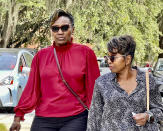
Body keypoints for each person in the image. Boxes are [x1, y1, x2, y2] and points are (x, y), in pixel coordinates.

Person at [10, 9, 100, 131]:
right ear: (51, 31)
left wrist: (97, 118)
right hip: (43, 118)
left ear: (72, 29)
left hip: (76, 118)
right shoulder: (41, 56)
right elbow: (31, 89)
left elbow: (93, 90)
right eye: (55, 28)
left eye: (64, 28)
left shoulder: (86, 53)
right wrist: (18, 116)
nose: (60, 32)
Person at [87, 35, 163, 131]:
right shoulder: (102, 83)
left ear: (127, 59)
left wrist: (148, 116)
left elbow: (160, 111)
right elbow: (94, 119)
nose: (109, 61)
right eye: (107, 57)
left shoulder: (147, 80)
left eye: (113, 58)